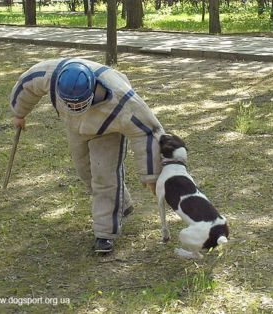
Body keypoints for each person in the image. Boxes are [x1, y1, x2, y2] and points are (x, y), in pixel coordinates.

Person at [10, 57, 164, 253]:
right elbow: (27, 84)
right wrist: (19, 113)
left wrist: (151, 175)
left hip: (108, 128)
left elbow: (148, 131)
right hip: (75, 129)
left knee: (104, 176)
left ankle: (105, 234)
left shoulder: (122, 100)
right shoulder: (50, 74)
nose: (75, 107)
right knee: (86, 172)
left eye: (79, 104)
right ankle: (122, 204)